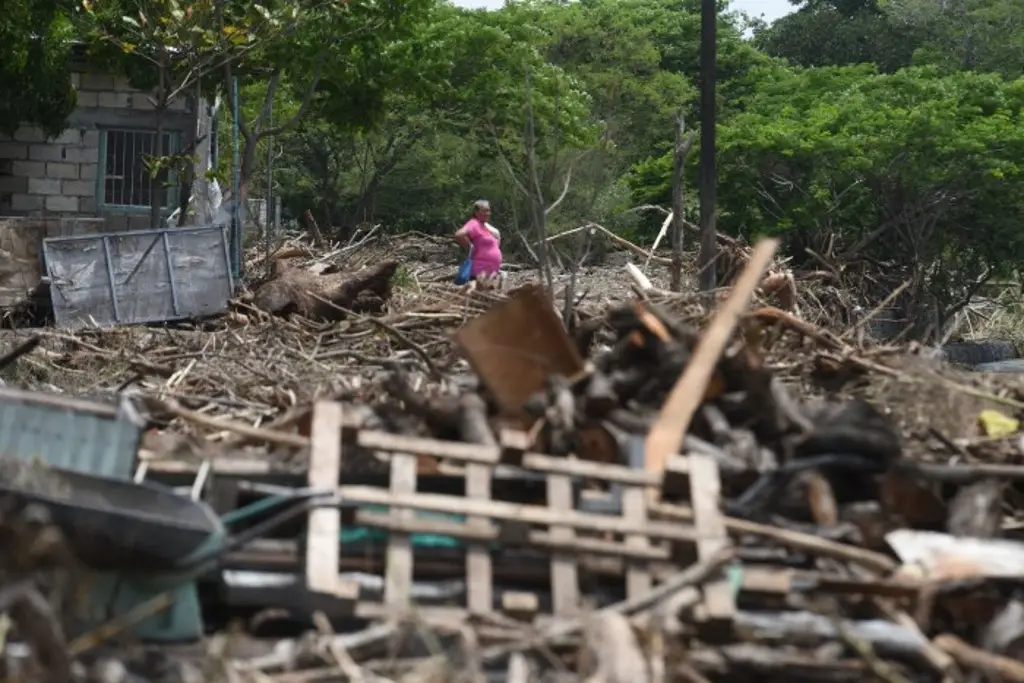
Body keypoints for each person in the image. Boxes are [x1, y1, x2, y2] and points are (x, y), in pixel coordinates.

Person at [454, 199, 502, 282]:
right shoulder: (474, 223)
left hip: (491, 273)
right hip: (479, 273)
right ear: (476, 212)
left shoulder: (486, 226)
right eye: (484, 211)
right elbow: (459, 235)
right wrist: (469, 246)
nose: (488, 214)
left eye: (488, 211)